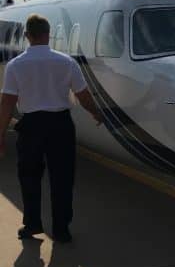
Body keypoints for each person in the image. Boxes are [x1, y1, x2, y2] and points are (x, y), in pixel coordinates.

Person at [0, 13, 103, 242]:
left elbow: (7, 103)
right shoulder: (66, 62)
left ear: (27, 36)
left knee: (29, 178)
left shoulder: (15, 66)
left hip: (31, 127)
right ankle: (61, 229)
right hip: (60, 126)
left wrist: (0, 136)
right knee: (62, 179)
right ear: (48, 35)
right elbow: (83, 95)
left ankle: (32, 224)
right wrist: (96, 112)